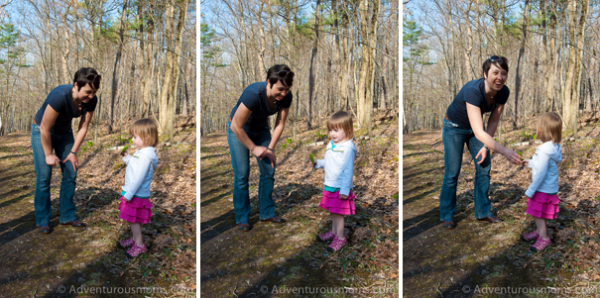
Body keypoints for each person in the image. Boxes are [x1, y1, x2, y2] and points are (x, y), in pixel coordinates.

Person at [439, 56, 523, 230]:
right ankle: (447, 213)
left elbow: (493, 121)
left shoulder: (504, 92)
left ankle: (483, 212)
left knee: (484, 166)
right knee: (452, 172)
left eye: (504, 73)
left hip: (476, 129)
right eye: (495, 73)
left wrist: (486, 146)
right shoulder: (473, 90)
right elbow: (479, 132)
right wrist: (505, 151)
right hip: (454, 127)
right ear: (485, 74)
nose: (500, 77)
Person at [31, 67, 101, 234]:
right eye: (88, 92)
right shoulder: (59, 96)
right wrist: (48, 154)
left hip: (64, 133)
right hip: (41, 131)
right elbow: (44, 128)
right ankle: (42, 220)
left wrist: (73, 152)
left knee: (70, 172)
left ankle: (67, 216)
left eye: (94, 92)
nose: (91, 96)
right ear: (76, 85)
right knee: (44, 176)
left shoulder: (91, 100)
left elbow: (83, 127)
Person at [227, 64, 294, 231]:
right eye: (280, 89)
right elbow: (236, 125)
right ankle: (242, 217)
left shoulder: (286, 97)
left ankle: (266, 212)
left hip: (261, 131)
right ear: (268, 83)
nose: (283, 93)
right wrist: (253, 148)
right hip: (238, 130)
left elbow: (280, 124)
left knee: (269, 170)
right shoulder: (253, 94)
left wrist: (269, 148)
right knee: (242, 174)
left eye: (287, 89)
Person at [312, 111, 357, 252]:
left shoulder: (348, 148)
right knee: (333, 211)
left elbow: (348, 170)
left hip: (340, 186)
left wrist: (345, 189)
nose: (333, 133)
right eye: (331, 129)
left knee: (338, 213)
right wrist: (318, 163)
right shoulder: (332, 144)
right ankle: (333, 232)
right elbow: (329, 161)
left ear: (347, 130)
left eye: (336, 130)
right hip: (330, 184)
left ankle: (341, 238)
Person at [116, 118, 159, 258]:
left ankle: (139, 245)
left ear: (146, 137)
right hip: (136, 193)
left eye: (135, 137)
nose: (132, 140)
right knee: (136, 218)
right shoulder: (142, 152)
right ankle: (135, 239)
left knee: (132, 220)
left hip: (136, 194)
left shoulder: (146, 156)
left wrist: (128, 194)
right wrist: (127, 158)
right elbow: (134, 167)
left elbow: (139, 177)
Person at [520, 112, 562, 252]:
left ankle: (544, 238)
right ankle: (539, 232)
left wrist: (530, 190)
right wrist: (530, 162)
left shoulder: (544, 150)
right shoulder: (553, 147)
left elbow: (542, 173)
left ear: (543, 130)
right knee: (541, 212)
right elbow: (542, 165)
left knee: (536, 213)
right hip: (549, 187)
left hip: (542, 188)